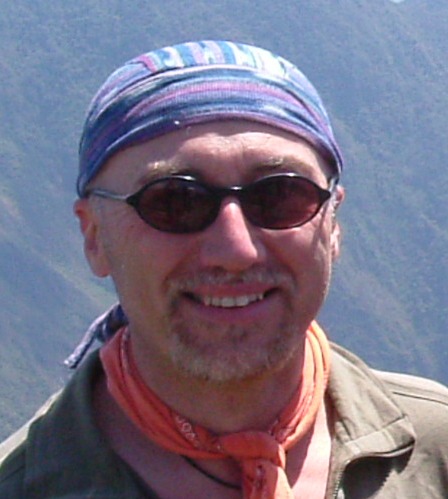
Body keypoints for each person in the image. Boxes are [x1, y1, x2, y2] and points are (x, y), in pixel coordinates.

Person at [0, 40, 447, 499]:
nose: (236, 250)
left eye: (280, 196)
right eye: (175, 201)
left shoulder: (438, 454)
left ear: (333, 224)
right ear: (95, 236)